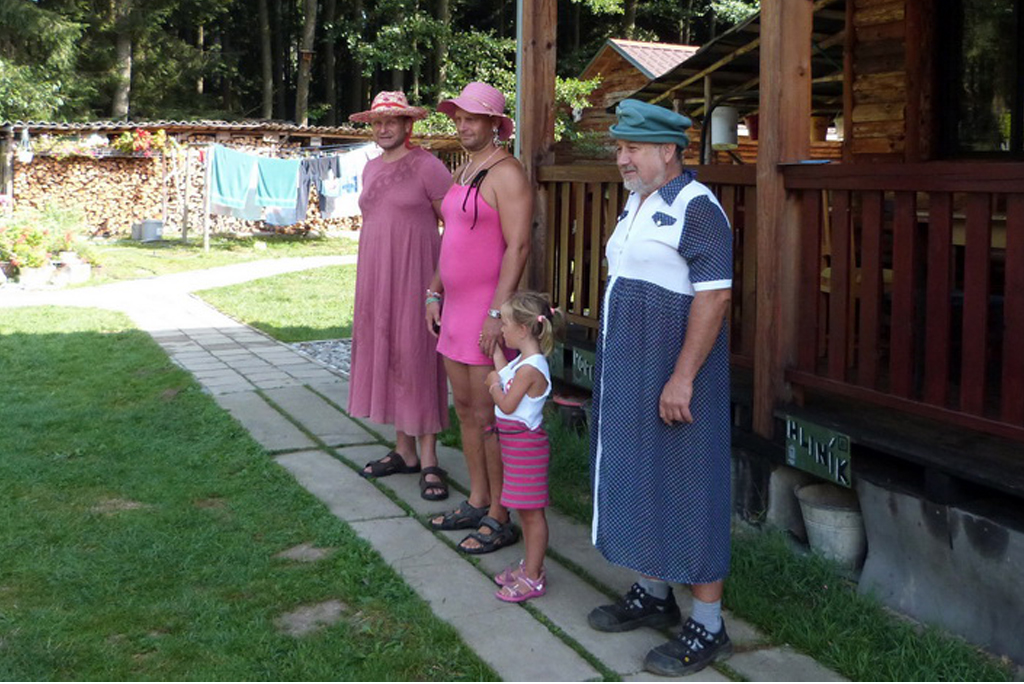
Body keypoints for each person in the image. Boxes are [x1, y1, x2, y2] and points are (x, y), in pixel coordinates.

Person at [587, 99, 734, 677]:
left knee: (690, 485)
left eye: (632, 148)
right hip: (631, 369)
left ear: (667, 151)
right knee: (640, 475)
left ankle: (710, 624)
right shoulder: (637, 203)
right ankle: (654, 593)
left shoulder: (698, 207)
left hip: (674, 373)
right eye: (619, 148)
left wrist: (683, 377)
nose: (621, 158)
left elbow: (714, 297)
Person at [425, 82, 533, 554]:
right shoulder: (465, 169)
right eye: (458, 117)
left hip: (486, 313)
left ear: (494, 124)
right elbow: (451, 239)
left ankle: (501, 514)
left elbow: (519, 246)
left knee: (490, 416)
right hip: (454, 310)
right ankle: (477, 498)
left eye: (471, 118)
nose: (462, 125)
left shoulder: (507, 173)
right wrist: (434, 291)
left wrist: (497, 312)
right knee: (467, 411)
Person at [347, 91, 453, 501]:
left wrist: (437, 287)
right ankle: (404, 451)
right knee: (389, 353)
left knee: (417, 358)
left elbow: (454, 228)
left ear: (408, 124)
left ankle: (429, 459)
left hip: (416, 278)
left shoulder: (429, 167)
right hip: (376, 278)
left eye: (392, 121)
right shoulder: (370, 168)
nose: (383, 128)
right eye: (377, 122)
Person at [486, 292, 563, 602]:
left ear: (522, 329)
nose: (501, 329)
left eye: (505, 324)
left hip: (527, 449)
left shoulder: (532, 369)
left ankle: (533, 575)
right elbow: (506, 374)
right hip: (516, 447)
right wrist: (495, 353)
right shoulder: (523, 362)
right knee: (523, 509)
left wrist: (492, 385)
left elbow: (506, 403)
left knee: (532, 514)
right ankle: (530, 566)